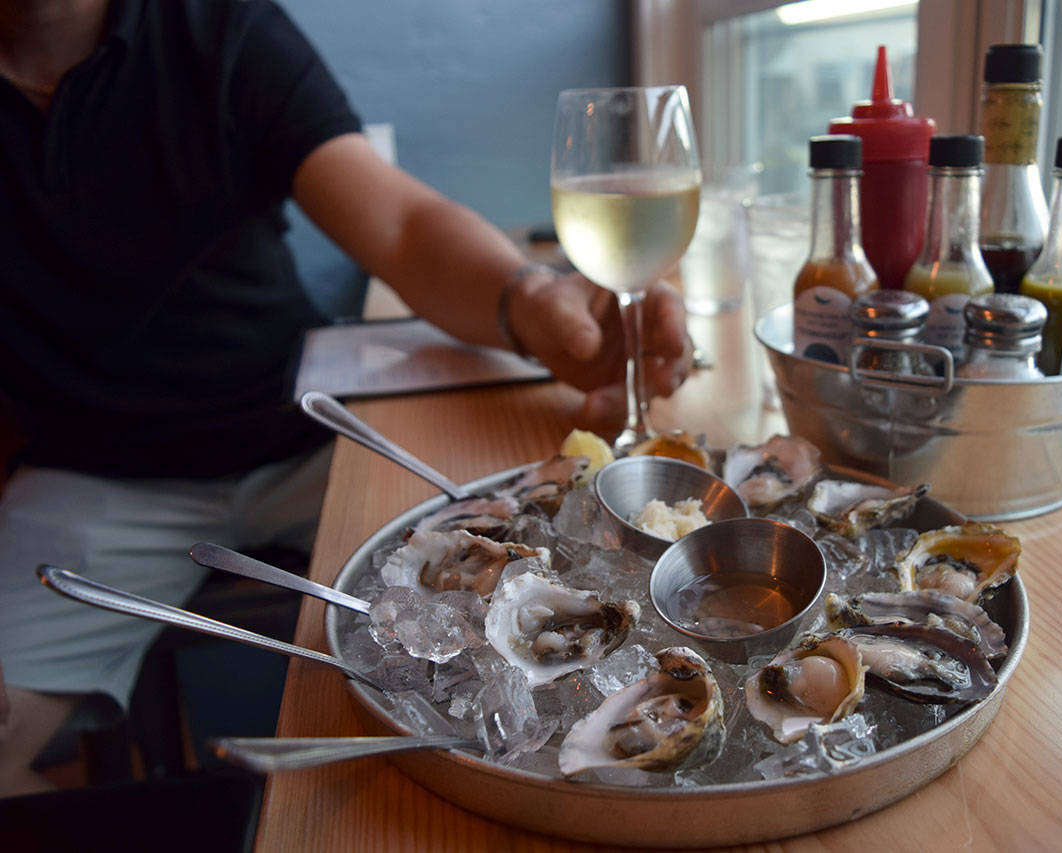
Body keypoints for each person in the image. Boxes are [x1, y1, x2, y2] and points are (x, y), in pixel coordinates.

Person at [0, 0, 692, 795]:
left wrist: (533, 306)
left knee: (516, 599)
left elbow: (399, 223)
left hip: (313, 438)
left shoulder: (220, 25)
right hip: (88, 479)